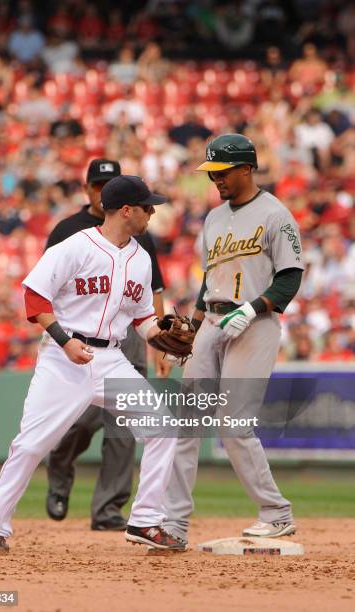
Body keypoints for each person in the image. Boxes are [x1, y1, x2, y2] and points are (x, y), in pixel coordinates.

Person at [0, 175, 186, 553]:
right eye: (147, 206)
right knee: (30, 445)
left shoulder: (140, 257)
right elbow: (35, 297)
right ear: (126, 210)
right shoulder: (74, 247)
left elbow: (140, 319)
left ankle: (145, 521)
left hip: (110, 359)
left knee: (163, 428)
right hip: (64, 358)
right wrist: (64, 340)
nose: (152, 212)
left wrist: (161, 333)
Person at [162, 134, 304, 543]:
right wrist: (194, 326)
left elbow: (291, 276)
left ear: (246, 168)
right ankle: (173, 524)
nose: (216, 180)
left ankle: (276, 513)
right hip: (214, 322)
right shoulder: (213, 218)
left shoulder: (276, 214)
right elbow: (211, 277)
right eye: (212, 174)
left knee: (233, 424)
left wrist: (254, 308)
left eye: (222, 172)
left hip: (254, 325)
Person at [45, 158, 169, 531]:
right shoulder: (68, 230)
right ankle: (60, 471)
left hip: (127, 336)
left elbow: (153, 291)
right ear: (87, 190)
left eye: (110, 185)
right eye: (98, 186)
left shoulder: (138, 232)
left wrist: (159, 343)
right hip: (79, 338)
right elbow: (46, 290)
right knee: (78, 420)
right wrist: (61, 340)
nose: (104, 192)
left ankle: (109, 509)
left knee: (124, 427)